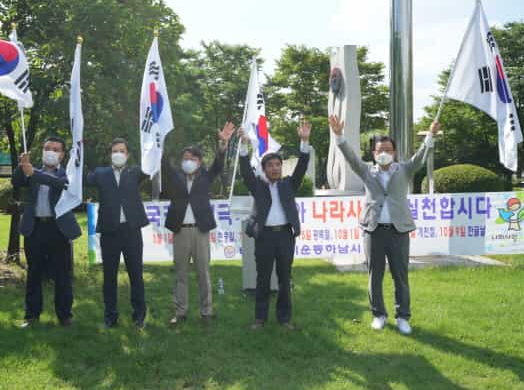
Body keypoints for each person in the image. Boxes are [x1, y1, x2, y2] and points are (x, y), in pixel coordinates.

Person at [329, 114, 440, 335]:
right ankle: (378, 314)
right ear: (374, 153)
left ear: (394, 152)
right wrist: (339, 136)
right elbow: (351, 158)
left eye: (388, 150)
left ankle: (403, 317)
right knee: (375, 274)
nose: (384, 154)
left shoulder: (404, 169)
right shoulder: (366, 171)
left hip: (398, 231)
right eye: (380, 150)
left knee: (400, 275)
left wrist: (430, 136)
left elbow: (420, 157)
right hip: (373, 231)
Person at [238, 120, 312, 330]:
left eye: (278, 165)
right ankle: (260, 319)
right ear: (264, 169)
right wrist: (244, 146)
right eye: (270, 165)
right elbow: (245, 171)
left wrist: (304, 142)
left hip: (285, 237)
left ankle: (284, 318)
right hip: (264, 237)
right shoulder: (257, 186)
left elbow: (302, 166)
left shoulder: (289, 184)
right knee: (262, 279)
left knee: (284, 279)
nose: (275, 168)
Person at [162, 122, 235, 325]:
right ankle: (180, 312)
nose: (188, 161)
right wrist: (159, 140)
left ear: (200, 161)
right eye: (185, 158)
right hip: (180, 232)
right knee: (180, 274)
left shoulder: (205, 175)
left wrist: (223, 144)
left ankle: (206, 311)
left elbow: (219, 165)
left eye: (192, 158)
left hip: (201, 232)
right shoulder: (175, 176)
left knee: (203, 273)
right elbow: (163, 164)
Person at [12, 137, 82, 328]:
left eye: (55, 149)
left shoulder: (68, 174)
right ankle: (32, 315)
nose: (50, 152)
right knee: (34, 273)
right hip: (35, 228)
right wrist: (22, 165)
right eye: (47, 148)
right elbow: (16, 181)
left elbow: (59, 184)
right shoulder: (30, 170)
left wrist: (33, 172)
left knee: (62, 275)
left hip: (58, 229)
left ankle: (65, 315)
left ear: (62, 155)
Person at [86, 138, 149, 329]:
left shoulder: (135, 172)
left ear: (127, 155)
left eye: (122, 151)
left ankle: (139, 316)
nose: (118, 154)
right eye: (115, 151)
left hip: (131, 230)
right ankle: (110, 316)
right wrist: (79, 150)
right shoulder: (100, 173)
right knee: (109, 276)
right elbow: (82, 177)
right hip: (109, 232)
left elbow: (153, 165)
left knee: (136, 274)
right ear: (110, 154)